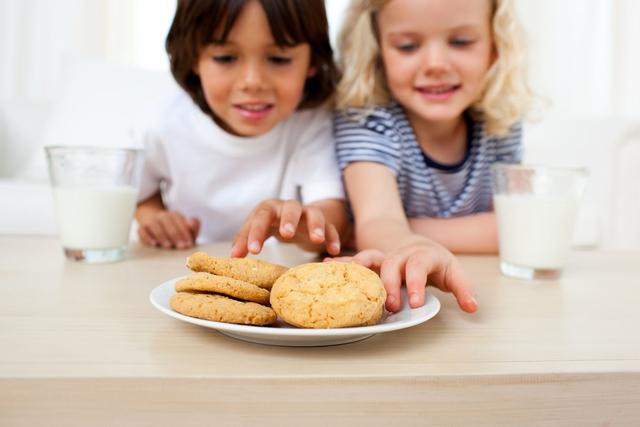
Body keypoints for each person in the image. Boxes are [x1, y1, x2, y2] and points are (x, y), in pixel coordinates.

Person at [333, 0, 532, 312]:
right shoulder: (369, 121)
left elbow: (516, 225)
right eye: (408, 46)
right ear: (378, 54)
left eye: (461, 42)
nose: (436, 64)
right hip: (409, 300)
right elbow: (377, 221)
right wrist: (413, 245)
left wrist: (406, 229)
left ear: (495, 48)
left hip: (492, 294)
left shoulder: (499, 122)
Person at [134, 0, 348, 257]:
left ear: (313, 61)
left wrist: (300, 224)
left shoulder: (311, 122)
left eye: (279, 59)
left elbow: (332, 217)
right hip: (183, 265)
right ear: (192, 57)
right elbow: (138, 192)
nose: (252, 82)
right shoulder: (165, 122)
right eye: (225, 57)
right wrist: (153, 215)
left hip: (274, 271)